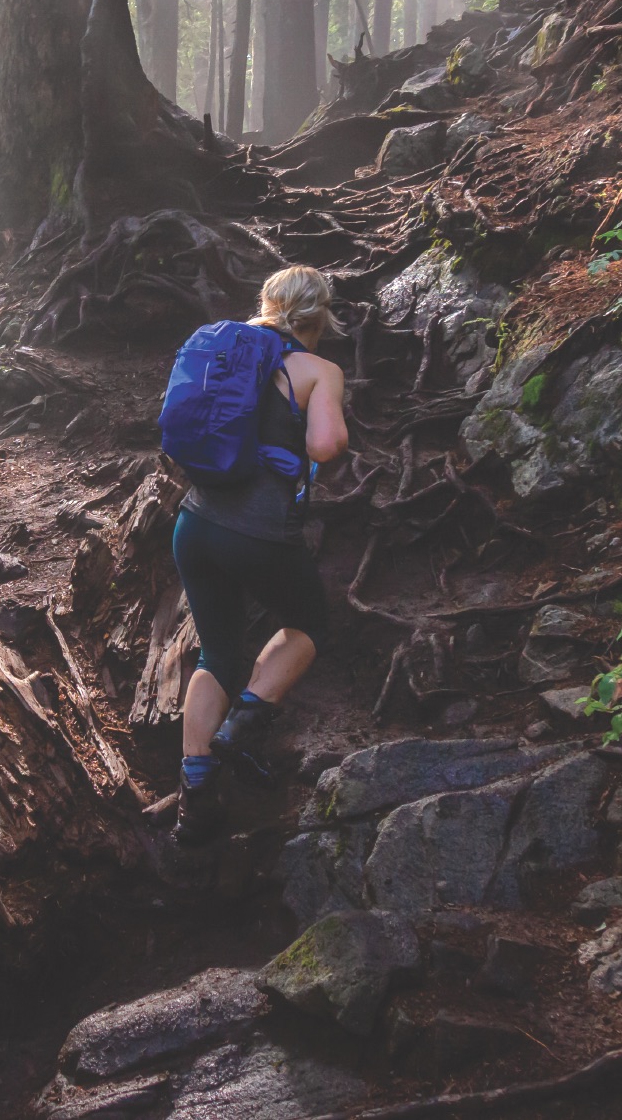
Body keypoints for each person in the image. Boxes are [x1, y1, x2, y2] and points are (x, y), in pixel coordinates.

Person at [170, 265, 347, 847]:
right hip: (259, 535)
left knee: (216, 651)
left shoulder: (223, 348)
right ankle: (243, 724)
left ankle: (195, 799)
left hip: (193, 525)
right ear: (320, 318)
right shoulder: (318, 370)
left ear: (268, 305)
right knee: (309, 623)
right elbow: (325, 445)